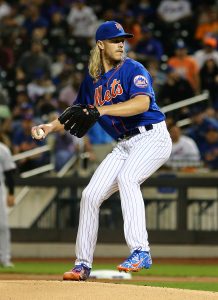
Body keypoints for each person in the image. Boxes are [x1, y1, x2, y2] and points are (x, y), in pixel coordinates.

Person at [31, 21, 172, 281]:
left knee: (127, 178)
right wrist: (49, 127)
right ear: (100, 44)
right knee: (90, 195)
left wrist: (102, 109)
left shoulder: (133, 68)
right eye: (115, 39)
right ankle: (82, 265)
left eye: (123, 39)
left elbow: (142, 103)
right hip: (124, 144)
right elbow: (74, 113)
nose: (121, 43)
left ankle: (141, 250)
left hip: (152, 136)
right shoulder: (92, 81)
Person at [0, 132, 16, 267]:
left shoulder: (3, 149)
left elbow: (9, 173)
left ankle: (5, 258)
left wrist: (11, 193)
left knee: (3, 225)